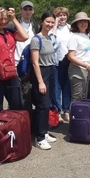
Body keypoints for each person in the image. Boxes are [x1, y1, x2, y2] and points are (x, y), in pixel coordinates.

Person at [30, 12, 58, 150]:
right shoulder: (36, 39)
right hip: (41, 72)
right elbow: (35, 63)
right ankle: (39, 137)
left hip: (51, 70)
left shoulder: (49, 38)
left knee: (48, 104)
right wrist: (41, 82)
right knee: (43, 105)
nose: (50, 24)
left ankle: (45, 131)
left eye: (52, 22)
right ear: (41, 22)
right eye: (48, 21)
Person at [10, 1, 40, 116]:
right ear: (20, 11)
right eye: (25, 9)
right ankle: (17, 119)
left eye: (30, 9)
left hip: (31, 64)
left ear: (33, 11)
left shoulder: (36, 26)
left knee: (30, 93)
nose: (27, 12)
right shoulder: (12, 25)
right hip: (16, 62)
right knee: (16, 94)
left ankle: (28, 120)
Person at [67, 12, 90, 102]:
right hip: (78, 69)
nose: (83, 24)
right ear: (76, 24)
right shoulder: (74, 37)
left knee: (84, 96)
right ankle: (74, 116)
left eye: (85, 22)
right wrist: (86, 66)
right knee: (77, 97)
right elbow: (71, 57)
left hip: (87, 69)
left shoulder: (87, 36)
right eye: (81, 22)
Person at [51, 7, 71, 123]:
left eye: (64, 15)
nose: (62, 17)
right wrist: (55, 24)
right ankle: (57, 111)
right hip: (56, 61)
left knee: (67, 86)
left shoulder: (70, 28)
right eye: (59, 15)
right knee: (56, 87)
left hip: (68, 61)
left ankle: (66, 110)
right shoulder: (53, 28)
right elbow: (51, 40)